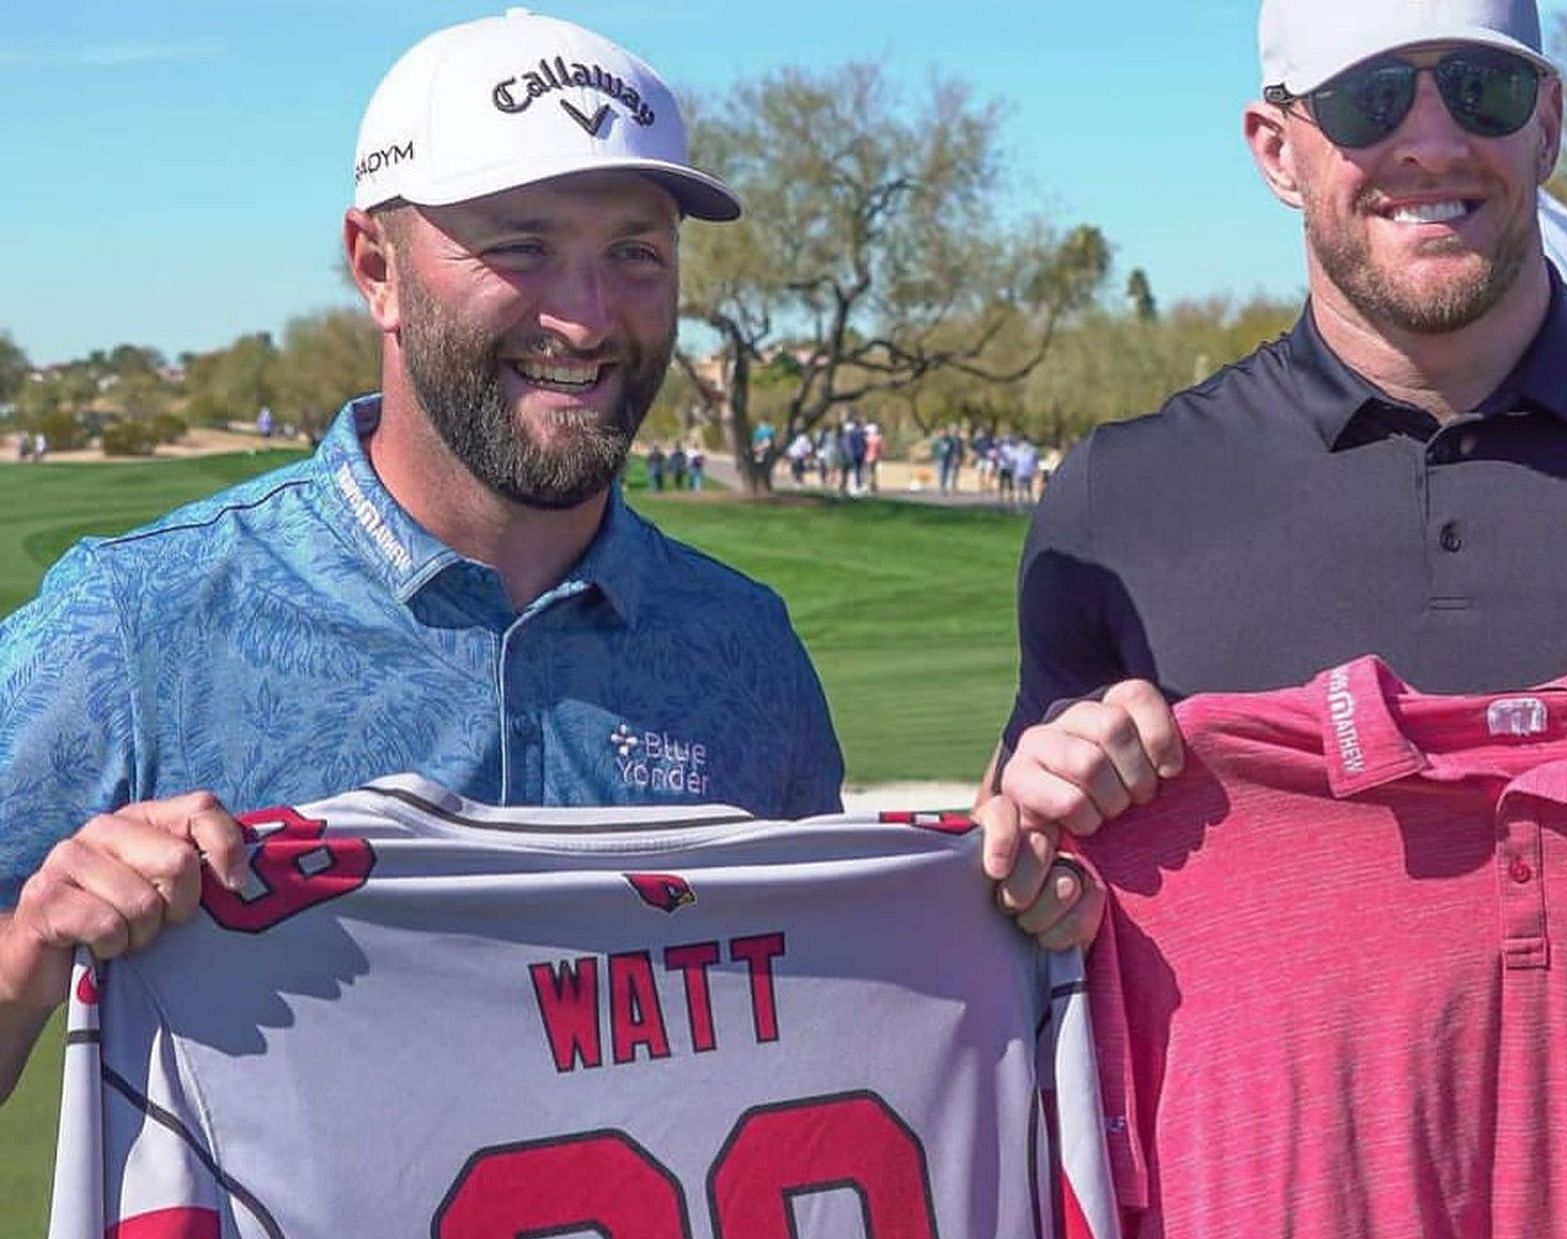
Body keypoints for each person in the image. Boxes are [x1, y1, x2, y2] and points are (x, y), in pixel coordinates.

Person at [0, 10, 1072, 1109]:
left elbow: (819, 1036)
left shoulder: (744, 648)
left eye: (636, 253)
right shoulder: (137, 625)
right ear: (378, 267)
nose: (587, 315)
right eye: (521, 246)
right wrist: (30, 942)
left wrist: (998, 900)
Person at [977, 0, 1567, 939]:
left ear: (1546, 126)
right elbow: (1015, 865)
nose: (1431, 141)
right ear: (1275, 150)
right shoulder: (1121, 502)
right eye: (1369, 99)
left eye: (1483, 89)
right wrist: (1029, 835)